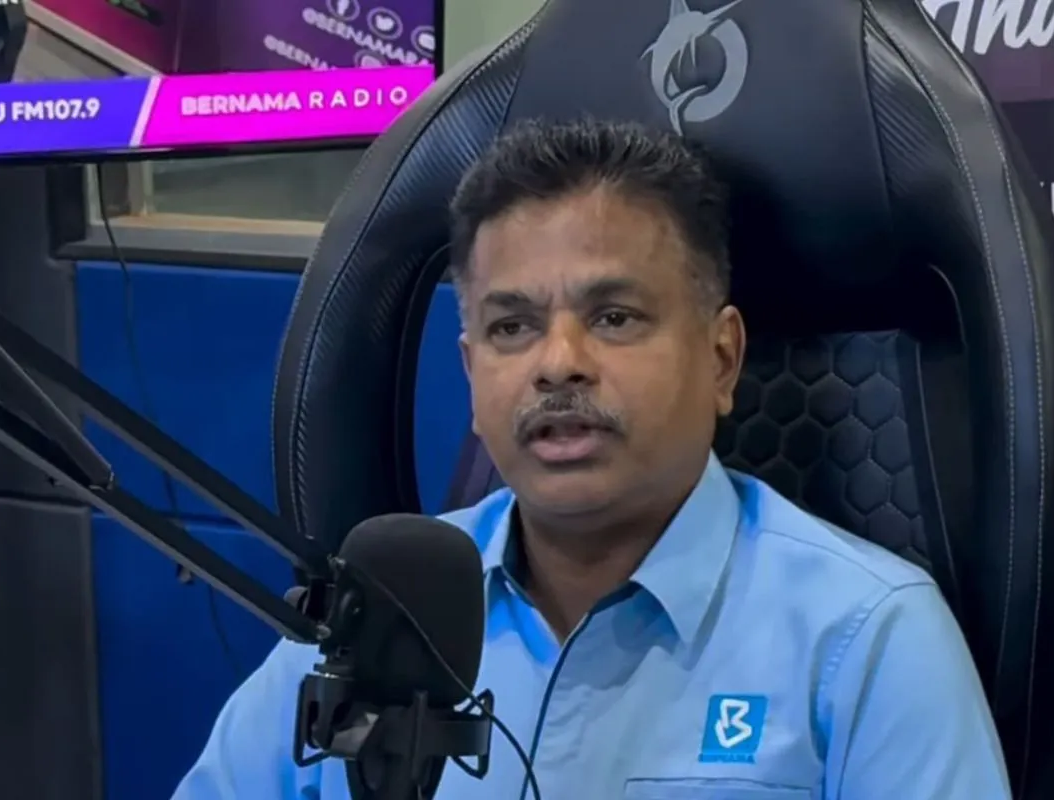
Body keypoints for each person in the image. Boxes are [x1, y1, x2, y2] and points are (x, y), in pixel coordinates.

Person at [172, 118, 1011, 800]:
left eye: (613, 317)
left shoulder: (866, 640)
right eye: (512, 327)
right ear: (471, 375)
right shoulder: (379, 617)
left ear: (722, 359)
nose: (558, 362)